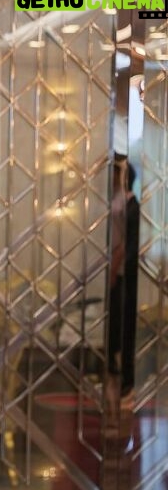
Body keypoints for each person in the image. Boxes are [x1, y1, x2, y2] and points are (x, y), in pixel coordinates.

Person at [108, 156, 139, 402]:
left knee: (125, 328)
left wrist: (113, 272)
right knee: (119, 326)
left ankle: (127, 381)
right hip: (124, 276)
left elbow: (124, 247)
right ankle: (120, 376)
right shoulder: (126, 206)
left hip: (126, 277)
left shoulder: (131, 208)